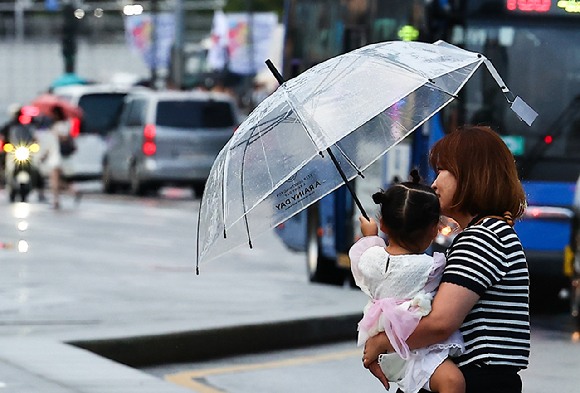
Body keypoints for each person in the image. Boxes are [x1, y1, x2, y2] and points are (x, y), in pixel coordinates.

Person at [362, 125, 530, 393]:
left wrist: (383, 342)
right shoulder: (491, 232)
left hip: (479, 380)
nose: (434, 183)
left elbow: (441, 322)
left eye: (443, 171)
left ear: (471, 176)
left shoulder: (482, 238)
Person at [349, 169, 465, 393]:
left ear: (383, 224)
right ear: (434, 230)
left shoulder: (370, 257)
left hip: (382, 343)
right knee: (453, 382)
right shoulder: (431, 267)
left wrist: (370, 236)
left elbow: (364, 257)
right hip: (417, 344)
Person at [41, 105, 80, 209]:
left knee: (54, 181)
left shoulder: (63, 125)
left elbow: (65, 138)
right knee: (55, 181)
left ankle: (57, 200)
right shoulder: (55, 125)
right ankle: (72, 192)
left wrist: (58, 134)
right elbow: (51, 144)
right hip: (54, 156)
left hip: (58, 157)